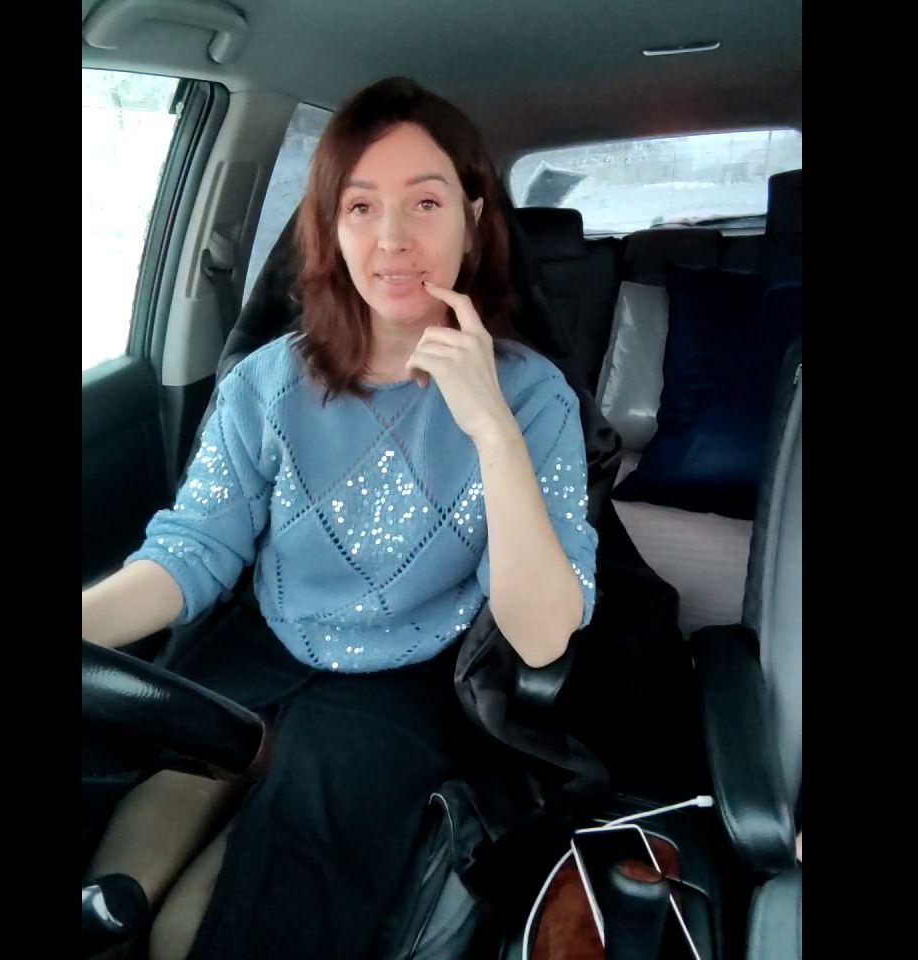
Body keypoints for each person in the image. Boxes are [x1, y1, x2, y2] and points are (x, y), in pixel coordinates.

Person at [82, 76, 599, 960]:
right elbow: (192, 551)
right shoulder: (266, 382)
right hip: (253, 652)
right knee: (112, 896)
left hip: (407, 683)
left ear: (473, 219)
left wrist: (491, 428)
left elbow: (542, 633)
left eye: (425, 202)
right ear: (331, 226)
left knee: (205, 935)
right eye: (361, 207)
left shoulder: (534, 396)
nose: (393, 238)